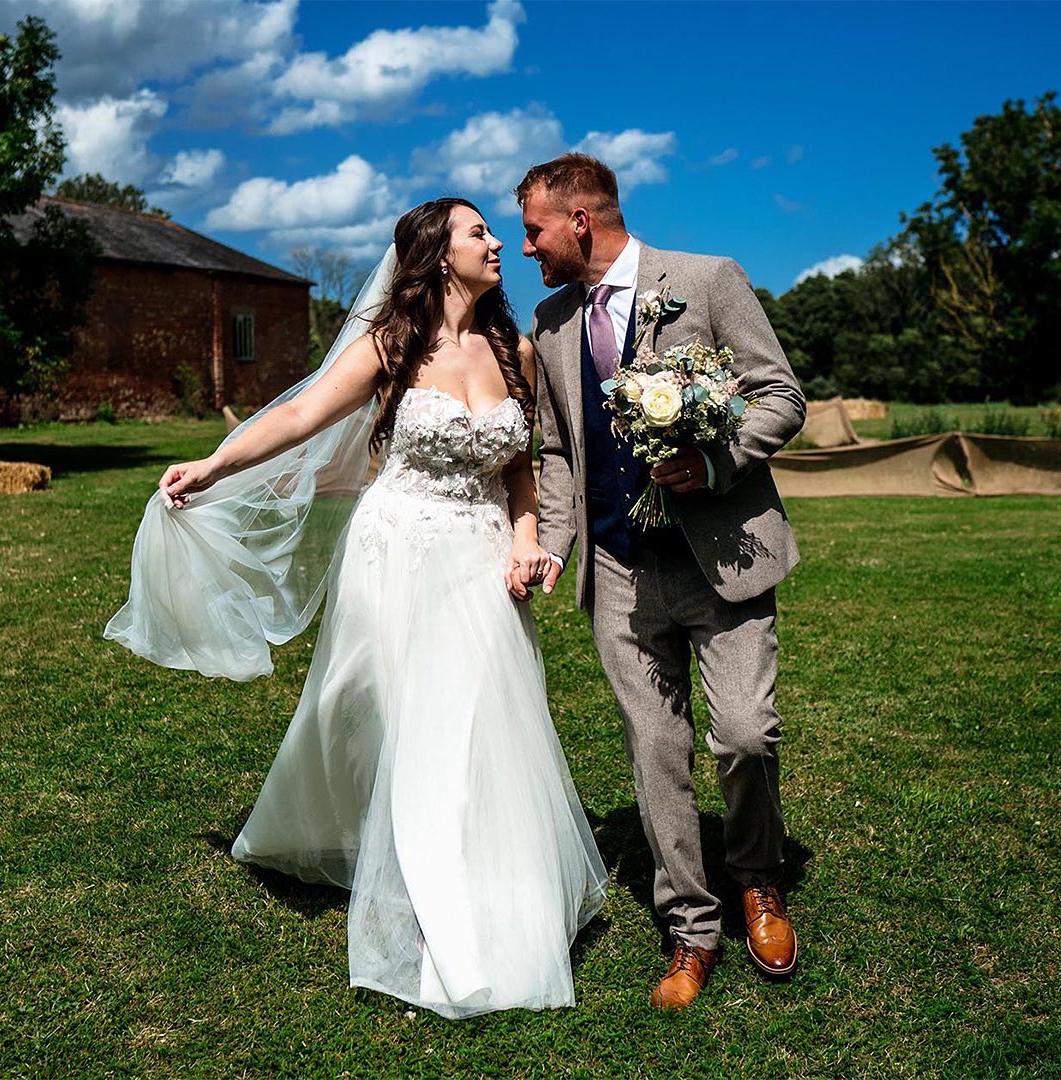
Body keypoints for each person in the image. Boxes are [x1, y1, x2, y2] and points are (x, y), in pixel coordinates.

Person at [105, 198, 607, 1019]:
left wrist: (524, 539)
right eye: (478, 232)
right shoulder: (392, 344)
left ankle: (485, 876)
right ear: (439, 255)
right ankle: (413, 889)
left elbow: (523, 471)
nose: (496, 244)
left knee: (479, 718)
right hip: (399, 550)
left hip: (481, 558)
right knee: (403, 715)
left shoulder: (512, 349)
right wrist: (215, 464)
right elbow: (301, 415)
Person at [513, 154, 805, 1009]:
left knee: (746, 734)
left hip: (725, 556)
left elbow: (780, 394)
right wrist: (558, 547)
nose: (527, 247)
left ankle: (758, 877)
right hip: (618, 570)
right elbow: (560, 449)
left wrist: (715, 461)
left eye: (534, 229)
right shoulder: (552, 319)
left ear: (579, 221)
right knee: (655, 752)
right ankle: (691, 924)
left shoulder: (709, 280)